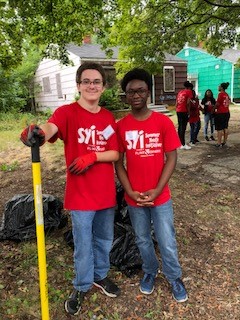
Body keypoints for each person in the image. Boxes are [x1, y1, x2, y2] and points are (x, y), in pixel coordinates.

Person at [20, 62, 120, 316]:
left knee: (104, 240)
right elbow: (50, 128)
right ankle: (81, 285)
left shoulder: (108, 117)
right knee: (83, 244)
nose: (91, 86)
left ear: (103, 87)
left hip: (105, 194)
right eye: (86, 81)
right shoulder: (67, 113)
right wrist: (38, 133)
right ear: (78, 86)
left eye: (96, 81)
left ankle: (100, 275)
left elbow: (115, 152)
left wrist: (93, 157)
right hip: (80, 196)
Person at [115, 68, 188, 303]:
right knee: (142, 239)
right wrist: (129, 190)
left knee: (167, 239)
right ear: (125, 95)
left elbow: (172, 157)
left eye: (141, 90)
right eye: (131, 91)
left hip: (160, 196)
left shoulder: (162, 122)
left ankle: (174, 276)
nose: (136, 95)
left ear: (148, 92)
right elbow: (118, 162)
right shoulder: (121, 126)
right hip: (134, 198)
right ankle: (149, 270)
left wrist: (157, 190)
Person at [175, 80, 193, 150]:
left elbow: (176, 102)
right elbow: (188, 103)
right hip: (184, 111)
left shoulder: (180, 92)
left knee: (180, 127)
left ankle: (179, 143)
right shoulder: (189, 92)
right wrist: (188, 112)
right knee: (183, 127)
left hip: (178, 110)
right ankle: (183, 144)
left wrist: (177, 108)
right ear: (190, 87)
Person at [214, 82, 231, 147]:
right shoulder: (226, 94)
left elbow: (217, 104)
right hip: (226, 112)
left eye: (219, 86)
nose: (218, 87)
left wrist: (213, 109)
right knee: (225, 128)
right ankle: (224, 142)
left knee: (219, 129)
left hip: (220, 113)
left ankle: (219, 143)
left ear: (221, 87)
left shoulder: (220, 94)